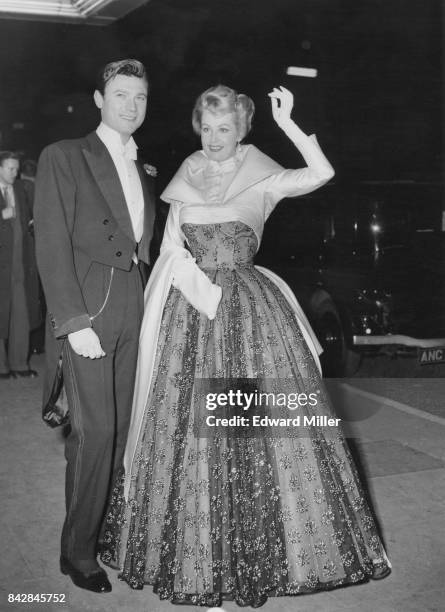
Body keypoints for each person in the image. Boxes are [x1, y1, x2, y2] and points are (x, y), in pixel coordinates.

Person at [100, 85, 391, 607]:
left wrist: (292, 126)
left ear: (242, 130)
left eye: (224, 129)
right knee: (187, 437)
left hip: (252, 317)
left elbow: (321, 173)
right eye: (206, 128)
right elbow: (169, 253)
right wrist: (180, 292)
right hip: (188, 314)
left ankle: (256, 553)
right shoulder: (184, 177)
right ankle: (200, 560)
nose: (213, 139)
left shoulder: (264, 179)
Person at [34, 59, 156, 594]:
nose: (131, 105)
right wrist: (73, 320)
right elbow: (51, 242)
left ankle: (107, 532)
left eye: (141, 96)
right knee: (95, 432)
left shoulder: (145, 167)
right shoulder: (65, 155)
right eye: (121, 94)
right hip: (90, 302)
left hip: (135, 301)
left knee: (124, 430)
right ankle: (77, 553)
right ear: (99, 100)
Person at [0, 151, 40, 379]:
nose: (15, 173)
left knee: (21, 315)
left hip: (20, 264)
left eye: (16, 169)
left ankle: (19, 364)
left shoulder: (21, 190)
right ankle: (1, 367)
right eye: (10, 169)